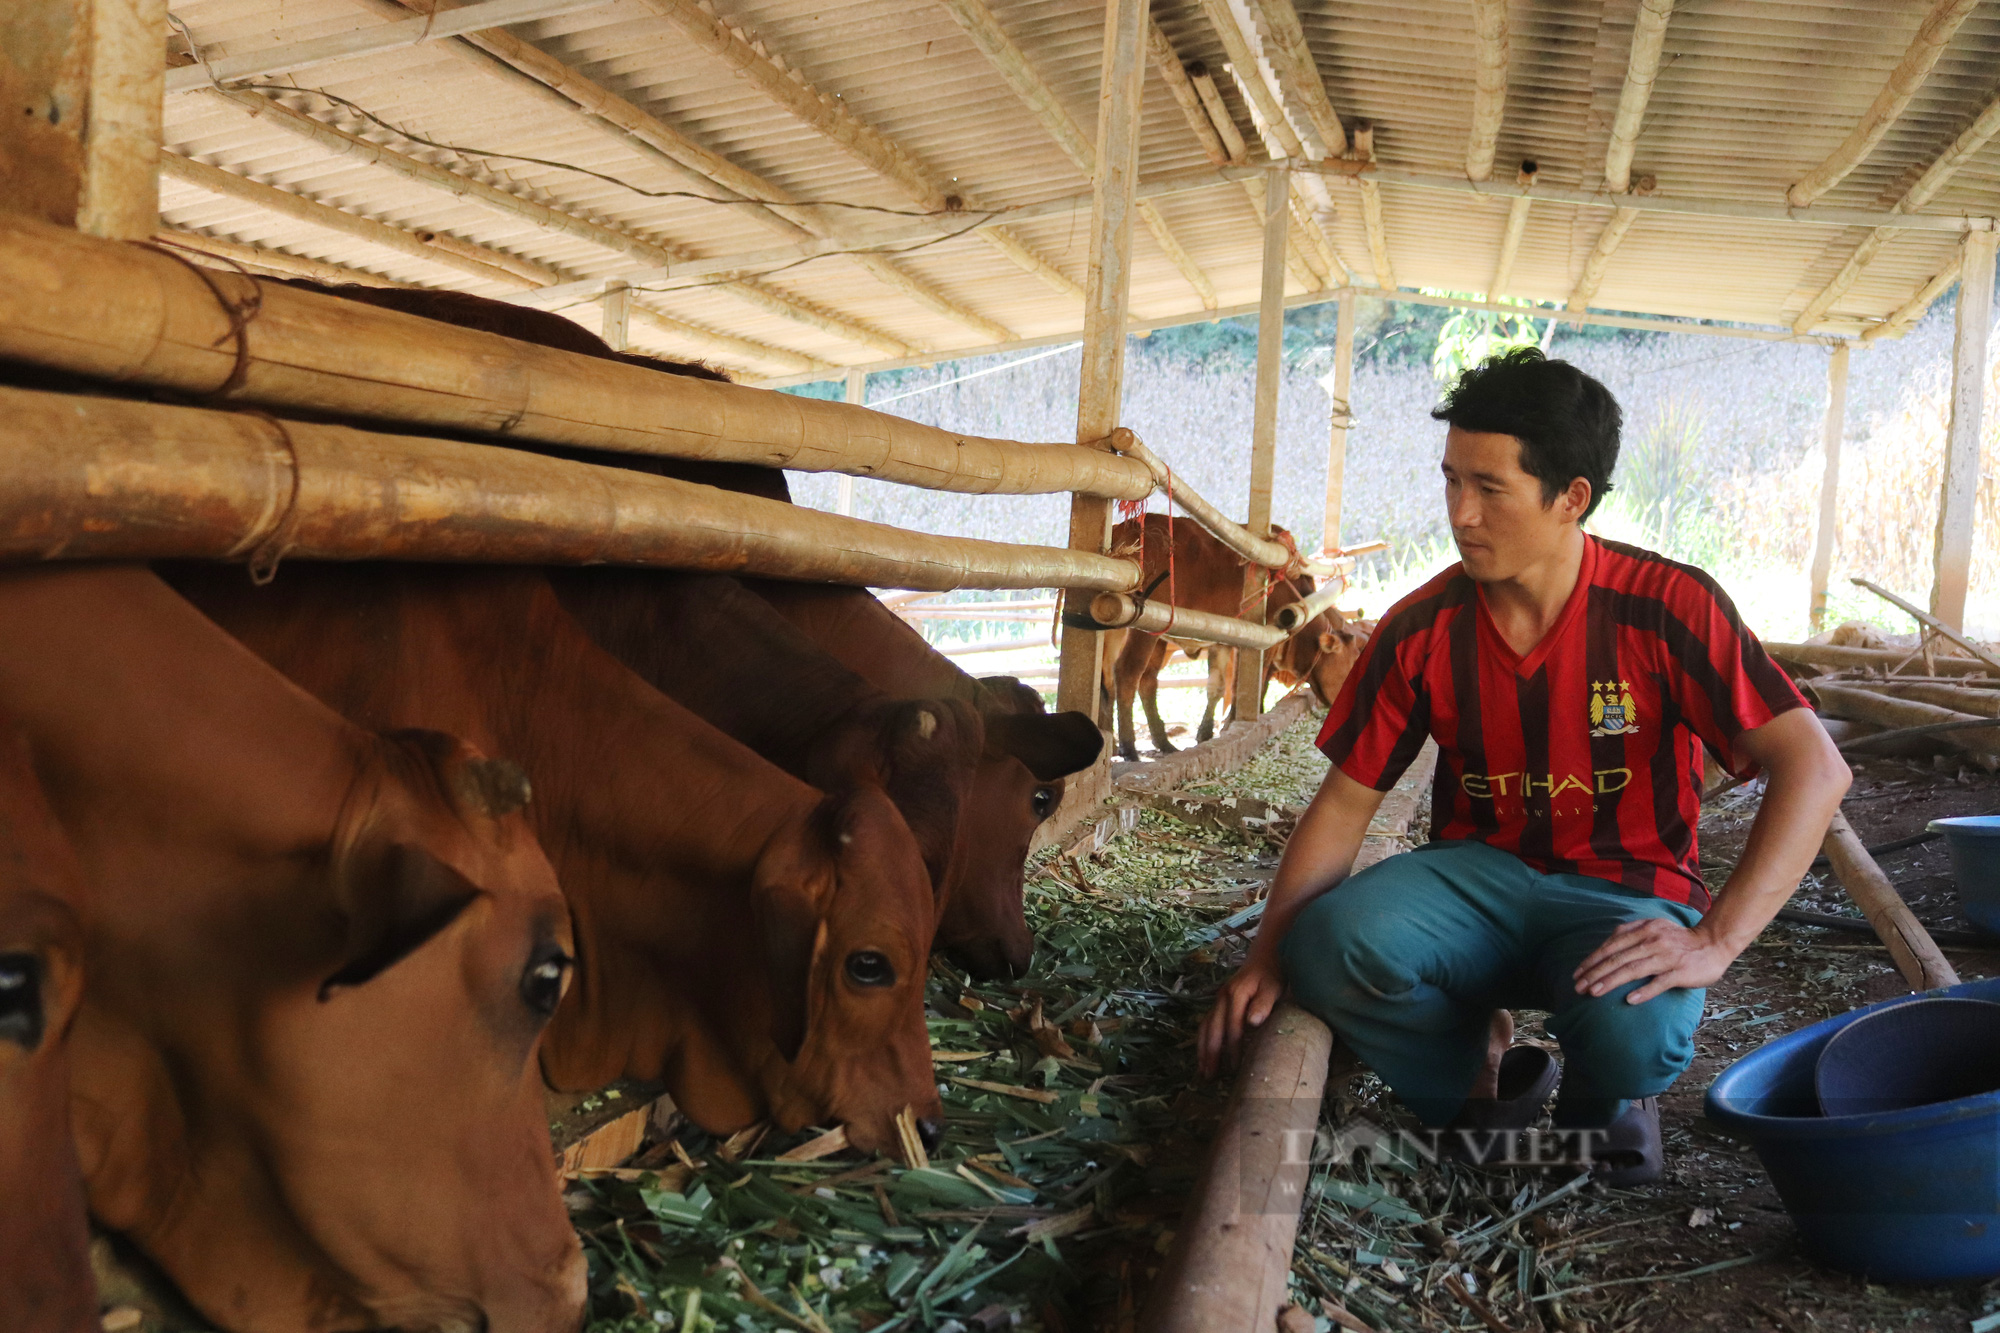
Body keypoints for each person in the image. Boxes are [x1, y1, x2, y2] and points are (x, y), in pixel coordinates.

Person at [1195, 347, 1851, 1184]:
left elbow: (1815, 768)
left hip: (1624, 887)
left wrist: (1717, 938)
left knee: (1638, 1031)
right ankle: (1474, 1072)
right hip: (1474, 884)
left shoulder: (1665, 608)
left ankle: (1608, 1089)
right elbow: (1344, 804)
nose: (1460, 513)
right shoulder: (1422, 626)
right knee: (1324, 946)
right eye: (1450, 480)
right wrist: (1264, 955)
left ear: (1571, 497)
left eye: (1490, 488)